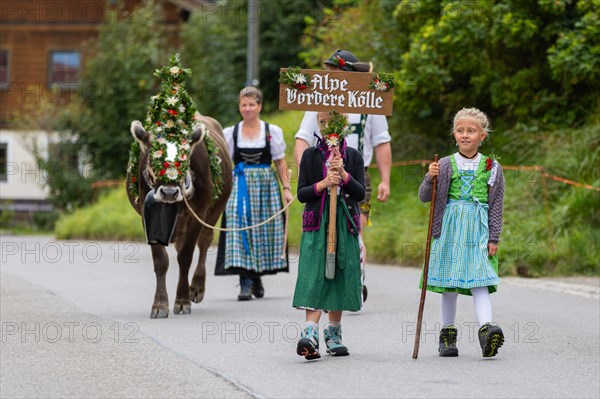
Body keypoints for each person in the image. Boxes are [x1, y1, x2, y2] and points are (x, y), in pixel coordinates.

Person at [294, 49, 392, 303]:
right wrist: (308, 171)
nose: (331, 76)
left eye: (336, 71)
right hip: (324, 175)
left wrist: (385, 179)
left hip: (358, 177)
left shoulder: (370, 104)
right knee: (326, 229)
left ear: (349, 75)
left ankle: (354, 277)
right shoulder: (316, 104)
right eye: (328, 71)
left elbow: (381, 142)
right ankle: (329, 281)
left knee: (355, 228)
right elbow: (302, 139)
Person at [418, 107, 505, 358]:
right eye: (460, 130)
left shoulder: (492, 167)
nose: (465, 135)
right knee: (450, 284)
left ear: (482, 136)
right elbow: (425, 197)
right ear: (454, 135)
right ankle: (447, 336)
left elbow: (496, 205)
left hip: (478, 230)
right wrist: (428, 177)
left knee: (481, 280)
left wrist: (493, 237)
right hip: (448, 229)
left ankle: (487, 330)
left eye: (471, 131)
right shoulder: (444, 164)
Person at [293, 111, 365, 360]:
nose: (326, 127)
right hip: (317, 223)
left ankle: (333, 333)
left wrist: (344, 175)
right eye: (321, 123)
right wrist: (322, 184)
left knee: (339, 273)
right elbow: (302, 193)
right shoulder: (310, 156)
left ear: (344, 125)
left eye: (331, 123)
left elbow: (360, 193)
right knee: (314, 274)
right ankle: (310, 333)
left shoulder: (353, 156)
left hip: (343, 223)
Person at [215, 86, 294, 300]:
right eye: (244, 105)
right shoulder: (231, 132)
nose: (248, 108)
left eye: (252, 104)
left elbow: (279, 162)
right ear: (239, 107)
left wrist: (286, 188)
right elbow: (223, 163)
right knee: (238, 226)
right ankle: (245, 281)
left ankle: (257, 276)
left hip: (266, 186)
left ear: (259, 106)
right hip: (239, 185)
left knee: (263, 231)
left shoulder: (271, 131)